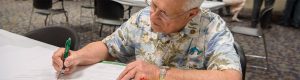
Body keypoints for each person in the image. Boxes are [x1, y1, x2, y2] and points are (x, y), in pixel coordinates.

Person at [52, 0, 242, 80]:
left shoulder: (212, 27)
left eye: (164, 13)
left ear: (191, 14)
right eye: (153, 4)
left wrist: (161, 73)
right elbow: (108, 47)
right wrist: (77, 56)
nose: (153, 17)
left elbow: (231, 77)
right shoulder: (144, 16)